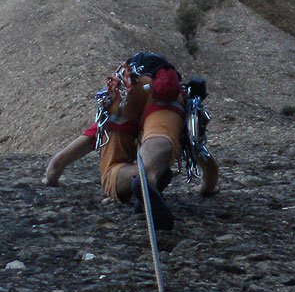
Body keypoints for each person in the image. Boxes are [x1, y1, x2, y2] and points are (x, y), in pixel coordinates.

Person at [44, 52, 219, 229]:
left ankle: (141, 177)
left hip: (126, 88)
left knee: (113, 170)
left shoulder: (129, 83)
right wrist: (207, 187)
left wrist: (53, 172)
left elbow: (89, 139)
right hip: (165, 95)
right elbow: (206, 162)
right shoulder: (172, 91)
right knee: (160, 136)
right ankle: (149, 175)